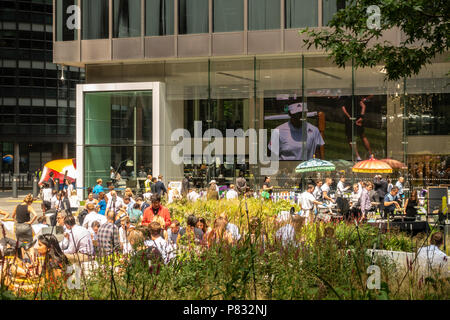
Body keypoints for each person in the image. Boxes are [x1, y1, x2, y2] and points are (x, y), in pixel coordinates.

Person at [340, 95, 372, 161]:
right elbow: (363, 106)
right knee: (362, 136)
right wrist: (361, 117)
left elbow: (343, 108)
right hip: (358, 118)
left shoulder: (344, 97)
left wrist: (349, 117)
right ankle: (370, 155)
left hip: (351, 119)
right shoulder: (356, 96)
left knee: (351, 138)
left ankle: (358, 157)